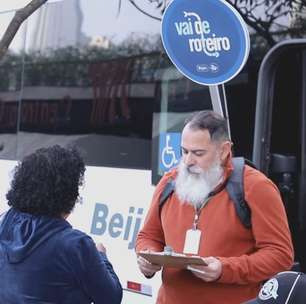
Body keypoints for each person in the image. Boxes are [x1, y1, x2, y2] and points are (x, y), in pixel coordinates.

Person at [136, 110, 294, 304]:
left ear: (224, 150)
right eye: (184, 151)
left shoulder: (257, 187)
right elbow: (149, 236)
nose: (187, 161)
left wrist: (224, 269)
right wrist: (147, 258)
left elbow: (280, 256)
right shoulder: (169, 182)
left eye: (198, 153)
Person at [0, 145, 122, 304]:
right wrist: (101, 256)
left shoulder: (5, 223)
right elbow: (111, 298)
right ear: (67, 193)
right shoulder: (76, 245)